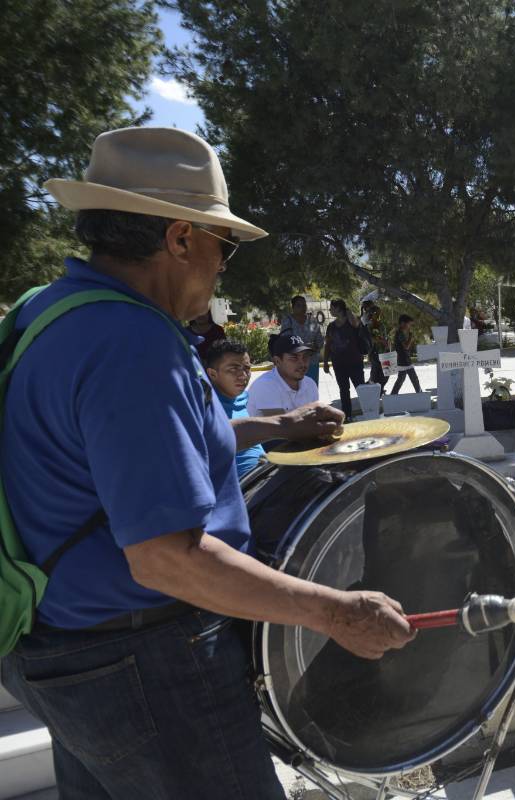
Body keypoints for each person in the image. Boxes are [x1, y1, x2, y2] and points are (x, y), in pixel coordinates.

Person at [0, 127, 414, 800]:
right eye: (222, 244)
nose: (224, 264)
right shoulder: (131, 341)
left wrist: (275, 424)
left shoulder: (48, 312)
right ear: (180, 238)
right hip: (145, 662)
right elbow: (166, 558)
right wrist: (334, 611)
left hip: (62, 649)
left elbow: (125, 451)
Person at [204, 339, 265, 478]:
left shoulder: (242, 396)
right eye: (233, 369)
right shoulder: (206, 405)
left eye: (247, 368)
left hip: (263, 473)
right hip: (242, 488)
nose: (243, 376)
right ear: (213, 374)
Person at [246, 334, 319, 417]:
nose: (302, 363)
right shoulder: (265, 385)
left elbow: (314, 420)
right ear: (277, 361)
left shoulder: (310, 384)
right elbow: (280, 426)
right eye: (294, 358)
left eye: (305, 356)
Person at [323, 298, 367, 421]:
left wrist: (346, 310)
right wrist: (326, 362)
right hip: (339, 364)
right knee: (343, 389)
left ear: (338, 308)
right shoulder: (331, 326)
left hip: (355, 362)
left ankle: (368, 410)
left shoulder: (351, 321)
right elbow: (327, 344)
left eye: (332, 307)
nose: (330, 310)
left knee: (361, 388)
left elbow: (356, 324)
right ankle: (347, 415)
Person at [278, 294, 324, 387]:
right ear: (293, 307)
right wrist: (301, 349)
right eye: (299, 305)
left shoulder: (312, 320)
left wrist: (313, 348)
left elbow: (319, 340)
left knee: (311, 390)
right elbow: (284, 341)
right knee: (295, 391)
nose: (303, 308)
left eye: (304, 305)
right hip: (293, 364)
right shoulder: (288, 321)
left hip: (311, 362)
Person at [388, 314, 422, 395]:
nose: (409, 327)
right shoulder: (400, 333)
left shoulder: (400, 332)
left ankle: (393, 395)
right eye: (409, 324)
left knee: (401, 379)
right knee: (414, 378)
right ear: (403, 323)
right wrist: (410, 337)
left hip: (402, 359)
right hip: (404, 360)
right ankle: (420, 394)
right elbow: (406, 346)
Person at [360, 300, 387, 385]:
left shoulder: (380, 324)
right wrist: (381, 340)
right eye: (377, 314)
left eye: (379, 314)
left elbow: (384, 336)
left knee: (383, 373)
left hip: (382, 351)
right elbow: (370, 338)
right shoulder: (369, 325)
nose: (379, 315)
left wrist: (386, 341)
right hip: (374, 351)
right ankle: (372, 388)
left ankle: (377, 388)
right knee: (376, 372)